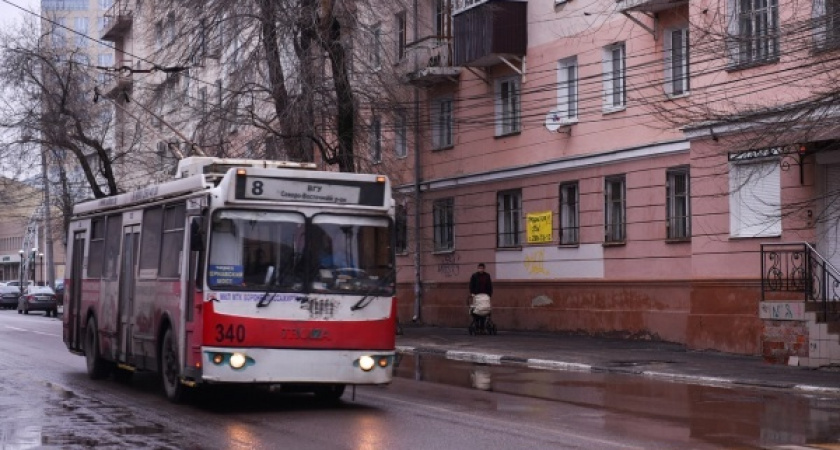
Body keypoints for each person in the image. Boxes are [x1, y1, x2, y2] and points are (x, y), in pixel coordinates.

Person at [468, 263, 493, 332]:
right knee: (477, 310)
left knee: (484, 310)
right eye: (479, 268)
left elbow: (489, 285)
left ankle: (482, 327)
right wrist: (472, 293)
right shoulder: (474, 276)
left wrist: (489, 294)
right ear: (478, 268)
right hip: (477, 295)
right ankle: (477, 325)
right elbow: (471, 285)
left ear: (484, 269)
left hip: (485, 295)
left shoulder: (487, 276)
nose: (481, 269)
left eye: (482, 268)